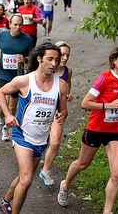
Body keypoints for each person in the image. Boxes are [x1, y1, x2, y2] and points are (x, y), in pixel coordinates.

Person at [57, 46, 118, 214]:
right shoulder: (103, 78)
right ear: (114, 61)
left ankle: (107, 211)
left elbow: (117, 101)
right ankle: (65, 185)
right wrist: (107, 106)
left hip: (114, 131)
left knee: (117, 173)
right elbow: (85, 103)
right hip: (96, 129)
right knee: (82, 164)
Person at [0, 42, 68, 214]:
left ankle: (4, 201)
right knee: (27, 179)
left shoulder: (62, 85)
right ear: (39, 59)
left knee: (23, 176)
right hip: (22, 135)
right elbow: (0, 93)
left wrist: (62, 114)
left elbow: (63, 109)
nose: (54, 63)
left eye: (56, 60)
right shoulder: (24, 80)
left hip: (42, 138)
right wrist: (7, 114)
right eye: (50, 59)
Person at [0, 14, 33, 142]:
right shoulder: (2, 35)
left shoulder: (27, 39)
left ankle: (6, 128)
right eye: (15, 24)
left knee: (12, 106)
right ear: (10, 24)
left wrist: (24, 59)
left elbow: (31, 59)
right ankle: (0, 122)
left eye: (20, 24)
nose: (18, 27)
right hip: (3, 73)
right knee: (2, 102)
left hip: (18, 76)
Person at [39, 41, 73, 186]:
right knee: (39, 138)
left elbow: (67, 85)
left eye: (67, 55)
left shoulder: (67, 71)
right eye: (62, 55)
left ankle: (45, 170)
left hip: (57, 110)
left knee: (56, 141)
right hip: (41, 108)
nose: (65, 58)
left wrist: (68, 95)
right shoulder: (44, 68)